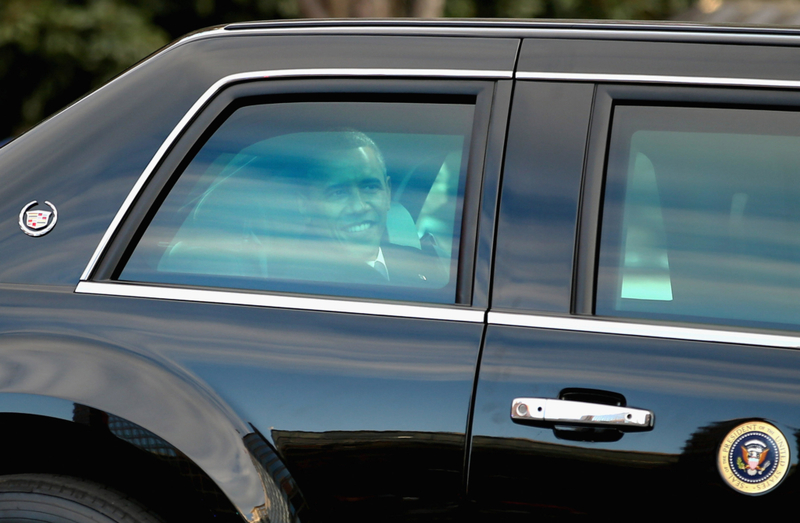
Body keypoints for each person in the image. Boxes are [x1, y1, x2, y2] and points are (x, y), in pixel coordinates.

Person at [294, 130, 446, 287]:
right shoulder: (298, 283)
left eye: (370, 187)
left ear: (387, 193)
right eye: (338, 193)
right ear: (306, 206)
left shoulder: (423, 265)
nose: (359, 207)